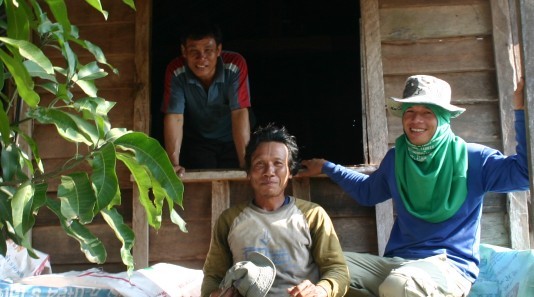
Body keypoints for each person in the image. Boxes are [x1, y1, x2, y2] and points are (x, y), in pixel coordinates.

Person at [299, 75, 529, 297]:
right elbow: (368, 192)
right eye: (410, 112)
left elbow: (524, 174)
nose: (416, 120)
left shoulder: (475, 158)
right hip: (396, 265)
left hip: (448, 269)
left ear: (443, 117)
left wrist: (522, 110)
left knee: (401, 286)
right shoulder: (397, 158)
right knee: (321, 268)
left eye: (427, 112)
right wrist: (328, 167)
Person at [201, 124, 349, 297]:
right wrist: (214, 294)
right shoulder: (229, 219)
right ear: (248, 172)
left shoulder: (312, 215)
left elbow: (337, 270)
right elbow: (213, 276)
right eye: (259, 164)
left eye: (278, 163)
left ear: (290, 171)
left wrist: (320, 290)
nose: (269, 172)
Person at [161, 21, 252, 176]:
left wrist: (246, 164)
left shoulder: (235, 65)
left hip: (234, 138)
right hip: (200, 140)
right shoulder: (176, 70)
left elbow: (239, 113)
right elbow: (175, 116)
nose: (201, 58)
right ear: (184, 51)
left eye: (208, 50)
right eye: (194, 51)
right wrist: (173, 164)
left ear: (219, 50)